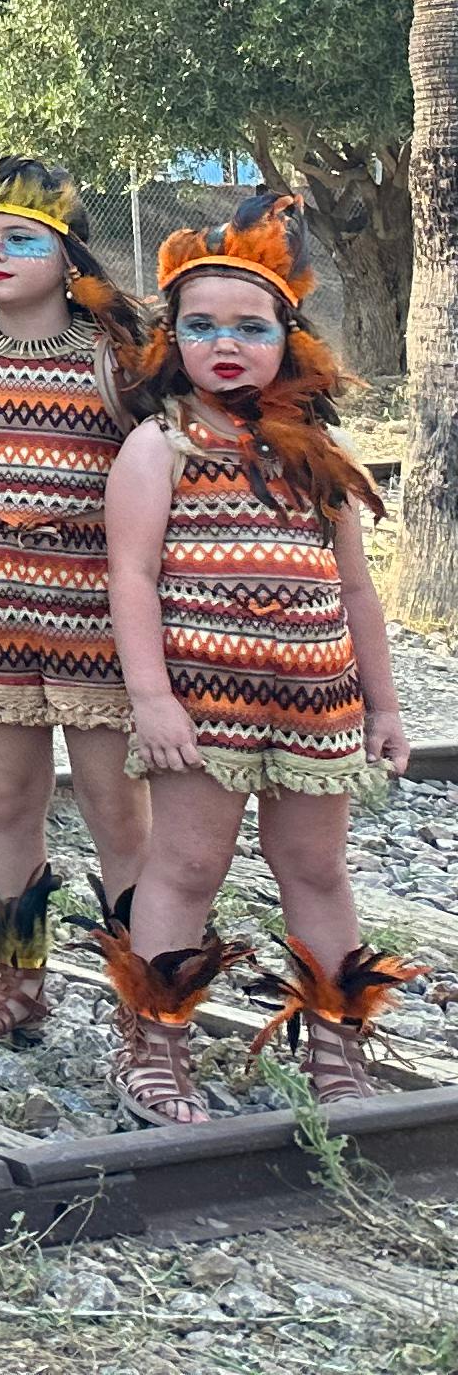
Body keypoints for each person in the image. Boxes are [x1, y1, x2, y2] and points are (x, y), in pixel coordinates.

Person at [102, 198, 415, 1126]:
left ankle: (335, 1043)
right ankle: (155, 1042)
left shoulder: (324, 456)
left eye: (251, 327)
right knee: (188, 864)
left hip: (318, 704)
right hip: (205, 706)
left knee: (315, 868)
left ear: (291, 338)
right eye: (201, 327)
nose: (226, 344)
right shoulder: (161, 446)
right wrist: (151, 697)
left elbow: (355, 590)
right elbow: (131, 577)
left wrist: (384, 706)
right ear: (173, 341)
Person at [0, 153, 153, 1049]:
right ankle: (16, 981)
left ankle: (146, 999)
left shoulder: (120, 363)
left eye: (20, 239)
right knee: (8, 797)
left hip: (97, 622)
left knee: (116, 811)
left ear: (70, 252)